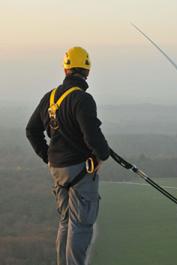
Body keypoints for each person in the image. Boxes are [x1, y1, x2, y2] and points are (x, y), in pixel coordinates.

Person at [26, 46, 110, 265]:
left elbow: (31, 130)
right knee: (81, 225)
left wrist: (47, 156)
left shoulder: (50, 98)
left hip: (57, 170)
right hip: (81, 170)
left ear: (66, 70)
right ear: (87, 71)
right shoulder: (83, 99)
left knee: (65, 222)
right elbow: (92, 136)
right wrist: (102, 155)